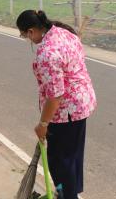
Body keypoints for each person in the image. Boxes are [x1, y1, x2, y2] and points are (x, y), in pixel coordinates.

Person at [16, 10, 97, 199]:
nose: (26, 39)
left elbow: (55, 95)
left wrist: (43, 124)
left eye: (24, 35)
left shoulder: (47, 53)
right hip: (81, 103)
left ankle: (67, 195)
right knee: (72, 157)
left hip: (65, 111)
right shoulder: (63, 32)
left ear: (30, 31)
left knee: (59, 161)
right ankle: (69, 193)